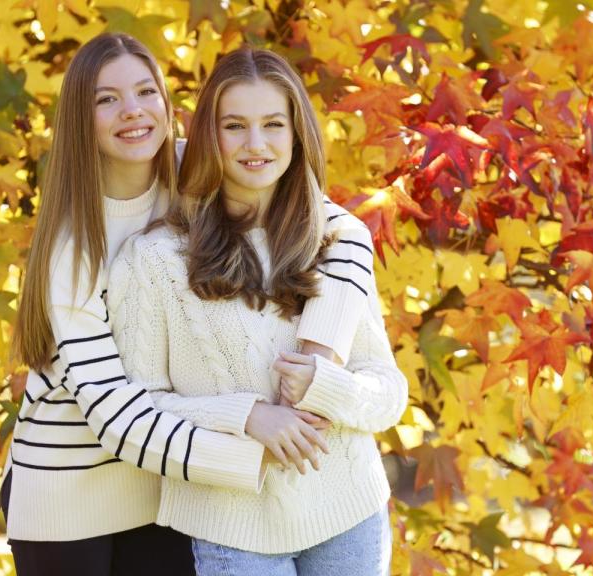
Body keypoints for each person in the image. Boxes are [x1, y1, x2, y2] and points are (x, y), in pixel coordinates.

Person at [1, 33, 374, 576]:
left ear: (168, 104)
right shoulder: (74, 247)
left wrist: (319, 355)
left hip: (170, 483)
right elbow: (112, 411)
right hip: (72, 489)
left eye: (145, 91)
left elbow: (339, 227)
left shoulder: (194, 170)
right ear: (81, 118)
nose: (132, 112)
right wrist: (255, 444)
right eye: (106, 99)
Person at [108, 46, 407, 576]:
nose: (255, 144)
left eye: (273, 124)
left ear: (296, 133)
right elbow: (139, 409)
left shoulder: (337, 241)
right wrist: (248, 416)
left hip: (348, 511)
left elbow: (387, 394)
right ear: (209, 136)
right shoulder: (156, 260)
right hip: (231, 527)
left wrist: (326, 385)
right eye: (235, 125)